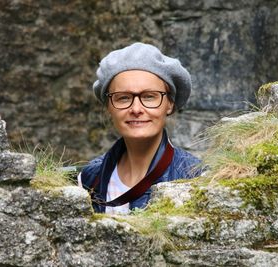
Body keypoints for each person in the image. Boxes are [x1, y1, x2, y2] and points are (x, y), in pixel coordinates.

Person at [78, 42, 202, 214]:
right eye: (123, 98)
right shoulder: (89, 178)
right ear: (109, 107)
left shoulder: (196, 179)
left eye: (149, 97)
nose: (136, 109)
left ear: (169, 104)